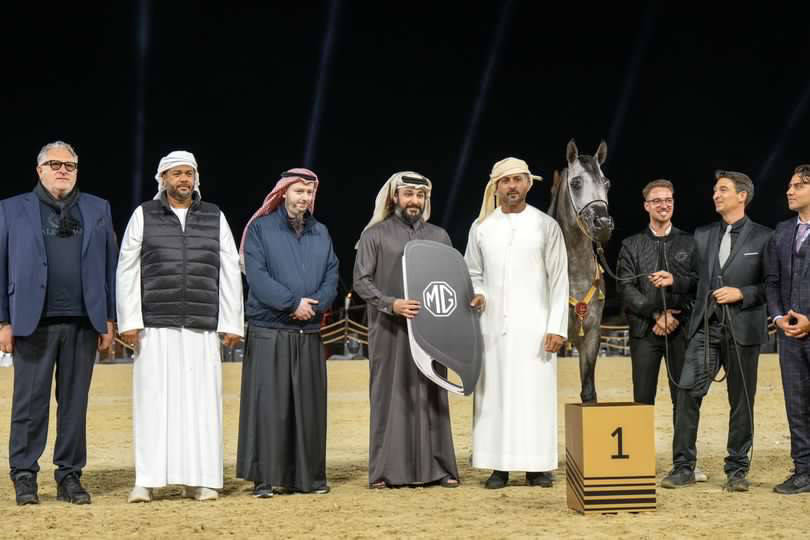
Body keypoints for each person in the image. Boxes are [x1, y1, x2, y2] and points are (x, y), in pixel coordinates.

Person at [116, 151, 244, 502]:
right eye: (176, 174)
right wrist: (130, 320)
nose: (184, 179)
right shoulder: (143, 215)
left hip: (202, 326)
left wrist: (232, 322)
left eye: (189, 173)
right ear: (163, 179)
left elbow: (229, 270)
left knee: (202, 405)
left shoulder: (214, 216)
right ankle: (148, 480)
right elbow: (127, 269)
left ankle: (201, 479)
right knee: (153, 402)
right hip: (154, 324)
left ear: (196, 178)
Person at [1, 141, 117, 505]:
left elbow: (109, 267)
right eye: (55, 164)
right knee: (28, 405)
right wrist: (3, 320)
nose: (63, 170)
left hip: (84, 322)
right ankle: (24, 475)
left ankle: (69, 476)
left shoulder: (98, 208)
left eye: (70, 165)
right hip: (31, 322)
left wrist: (109, 317)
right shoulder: (11, 209)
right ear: (40, 170)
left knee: (74, 405)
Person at [661, 170, 771, 491]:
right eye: (715, 190)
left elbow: (771, 285)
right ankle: (683, 467)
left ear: (742, 196)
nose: (715, 195)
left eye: (723, 190)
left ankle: (736, 470)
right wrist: (675, 280)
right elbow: (697, 281)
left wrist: (742, 293)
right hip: (705, 328)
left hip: (743, 330)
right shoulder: (703, 234)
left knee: (741, 401)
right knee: (686, 394)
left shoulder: (765, 237)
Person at [464, 157, 568, 489]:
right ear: (495, 187)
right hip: (492, 329)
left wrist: (557, 326)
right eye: (506, 181)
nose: (512, 186)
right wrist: (479, 294)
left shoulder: (545, 225)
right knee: (495, 398)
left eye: (518, 179)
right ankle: (499, 467)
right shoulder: (481, 227)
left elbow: (559, 279)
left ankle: (537, 467)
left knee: (534, 398)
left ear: (528, 184)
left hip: (536, 330)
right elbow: (472, 273)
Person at [353, 171, 460, 489]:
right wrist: (392, 304)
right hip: (389, 331)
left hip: (431, 332)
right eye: (408, 194)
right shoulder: (374, 236)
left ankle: (439, 469)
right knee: (390, 396)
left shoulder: (440, 236)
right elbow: (361, 281)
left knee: (432, 394)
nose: (414, 200)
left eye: (420, 195)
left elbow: (451, 283)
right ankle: (385, 472)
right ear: (394, 197)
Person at [236, 168, 338, 498]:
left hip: (309, 332)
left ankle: (308, 479)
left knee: (309, 409)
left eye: (309, 192)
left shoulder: (321, 232)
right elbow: (257, 276)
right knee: (269, 407)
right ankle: (265, 479)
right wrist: (292, 303)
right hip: (270, 330)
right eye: (299, 191)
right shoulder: (260, 229)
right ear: (282, 193)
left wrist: (315, 305)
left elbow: (332, 275)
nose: (304, 198)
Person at [616, 179, 701, 477]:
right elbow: (626, 288)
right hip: (645, 332)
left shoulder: (690, 243)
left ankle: (684, 463)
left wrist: (676, 312)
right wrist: (655, 314)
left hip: (682, 330)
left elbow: (698, 284)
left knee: (684, 398)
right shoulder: (631, 245)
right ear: (646, 206)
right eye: (657, 200)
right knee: (642, 398)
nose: (663, 205)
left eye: (668, 200)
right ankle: (640, 462)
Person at [766, 164, 810, 494]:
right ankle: (803, 470)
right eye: (789, 185)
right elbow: (772, 282)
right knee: (796, 405)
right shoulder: (781, 232)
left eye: (797, 186)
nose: (789, 191)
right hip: (790, 336)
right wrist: (779, 317)